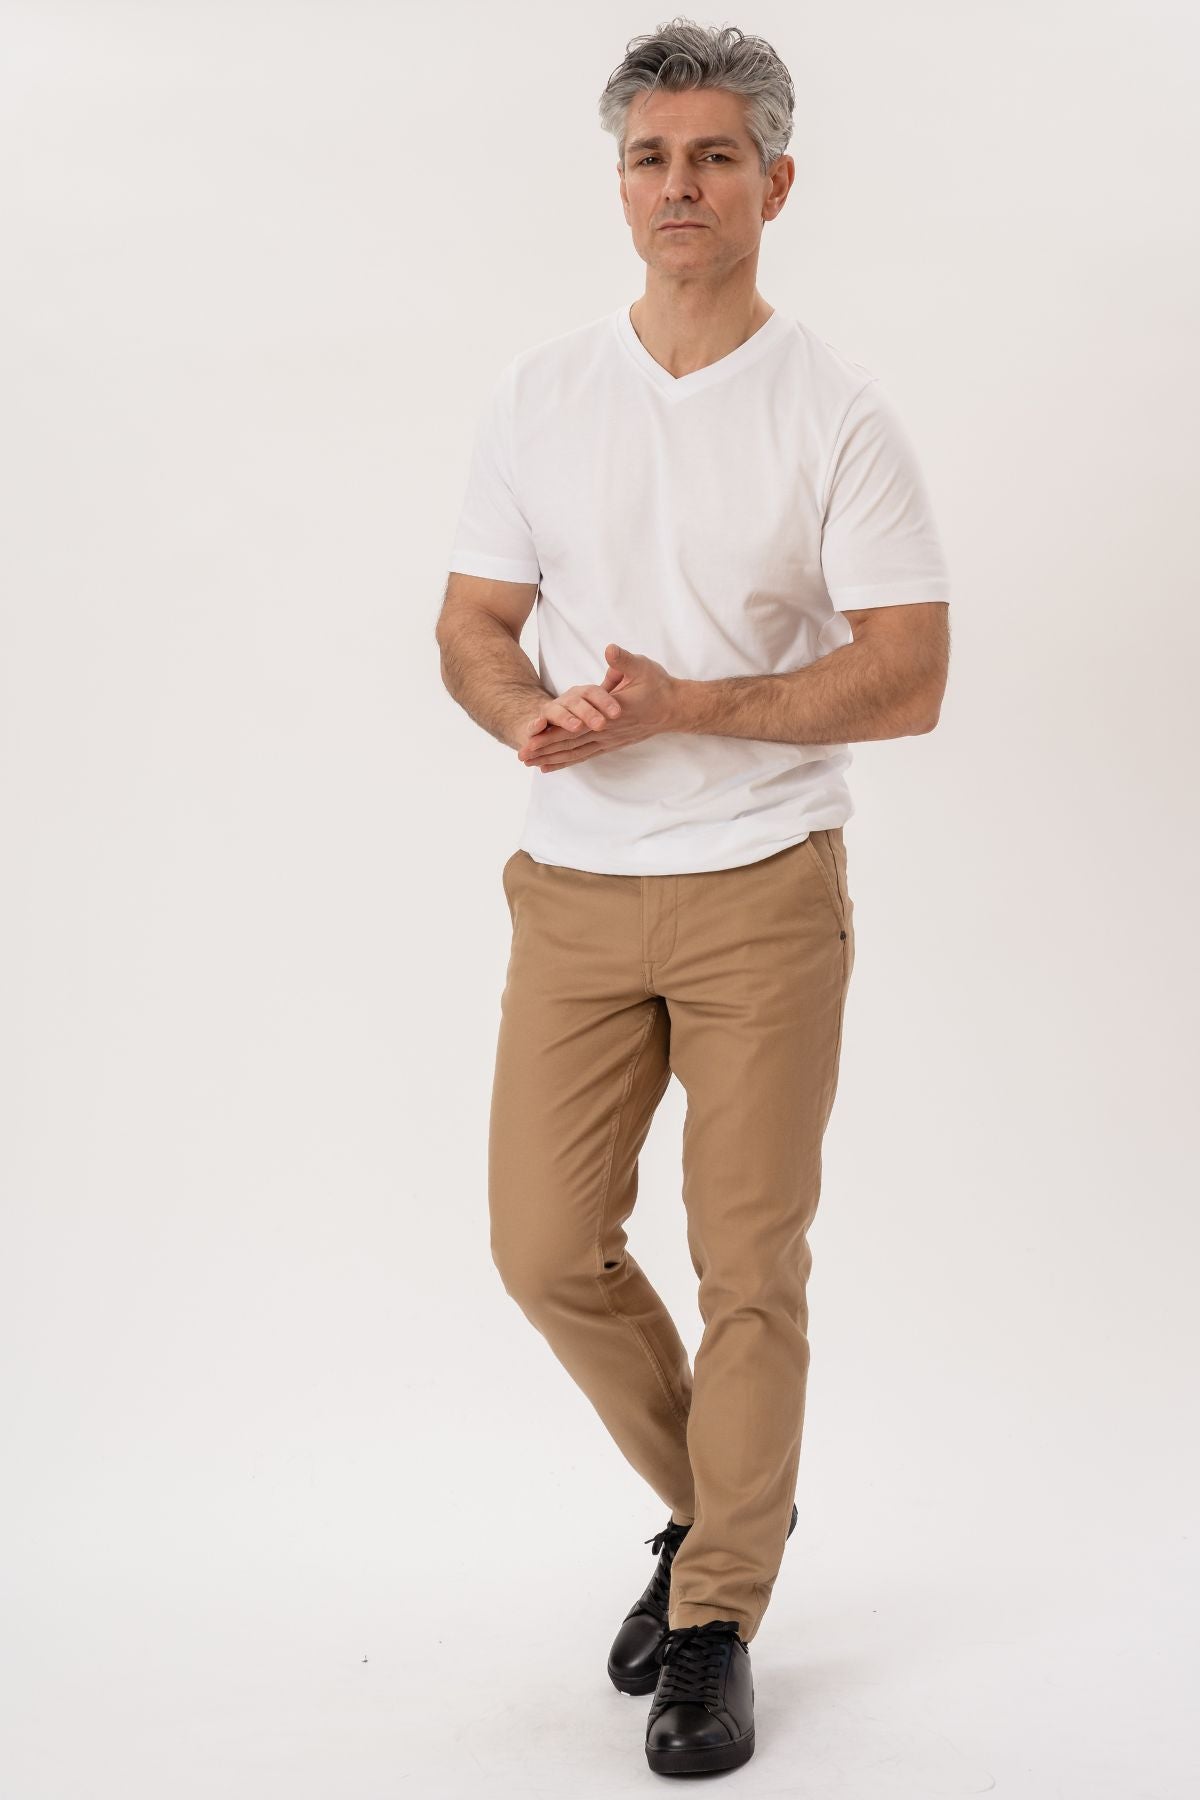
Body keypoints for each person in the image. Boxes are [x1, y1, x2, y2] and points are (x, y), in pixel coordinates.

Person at [435, 17, 951, 1779]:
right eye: (652, 158)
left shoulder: (837, 412)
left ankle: (718, 1608)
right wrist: (526, 713)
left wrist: (685, 709)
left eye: (715, 156)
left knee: (749, 1269)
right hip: (575, 891)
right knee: (542, 1248)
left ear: (773, 185)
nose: (681, 185)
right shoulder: (541, 393)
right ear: (620, 187)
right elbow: (474, 623)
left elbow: (909, 672)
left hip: (763, 894)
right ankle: (734, 1506)